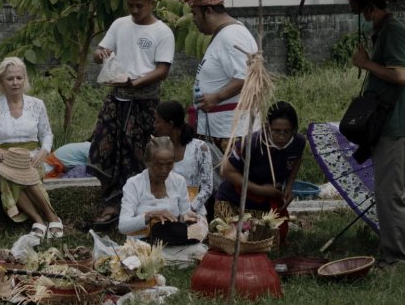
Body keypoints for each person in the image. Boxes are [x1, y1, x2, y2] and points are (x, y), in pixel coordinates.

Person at [89, 0, 175, 227]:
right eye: (131, 6)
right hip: (116, 98)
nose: (135, 11)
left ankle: (138, 208)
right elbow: (100, 52)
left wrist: (137, 82)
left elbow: (162, 70)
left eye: (140, 6)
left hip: (144, 102)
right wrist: (100, 54)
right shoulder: (120, 24)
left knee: (136, 154)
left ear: (152, 3)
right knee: (105, 149)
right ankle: (112, 203)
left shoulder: (162, 32)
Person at [348, 0, 405, 268]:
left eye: (357, 8)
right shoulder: (383, 32)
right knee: (395, 192)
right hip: (393, 126)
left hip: (397, 127)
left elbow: (400, 75)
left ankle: (398, 259)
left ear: (369, 7)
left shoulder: (393, 32)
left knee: (390, 193)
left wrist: (366, 63)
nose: (358, 15)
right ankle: (401, 251)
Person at [0, 57, 63, 239]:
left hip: (31, 158)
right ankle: (41, 219)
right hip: (3, 160)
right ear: (1, 81)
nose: (15, 82)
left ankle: (49, 216)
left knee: (24, 172)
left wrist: (44, 151)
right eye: (10, 79)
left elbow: (47, 134)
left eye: (19, 78)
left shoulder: (37, 104)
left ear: (25, 79)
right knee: (7, 175)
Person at [216, 101, 307, 244]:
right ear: (267, 127)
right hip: (234, 199)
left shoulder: (298, 142)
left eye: (287, 131)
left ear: (293, 129)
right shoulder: (252, 143)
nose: (282, 136)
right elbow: (226, 170)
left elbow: (296, 159)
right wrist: (260, 190)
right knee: (236, 241)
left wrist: (289, 186)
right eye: (276, 131)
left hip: (266, 203)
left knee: (271, 244)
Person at [184, 0, 258, 149]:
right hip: (221, 126)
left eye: (195, 14)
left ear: (209, 11)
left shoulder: (231, 35)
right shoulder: (226, 33)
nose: (194, 20)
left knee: (225, 173)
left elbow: (245, 77)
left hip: (228, 130)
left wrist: (216, 97)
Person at [118, 136, 198, 237]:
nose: (164, 170)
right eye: (159, 165)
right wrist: (150, 215)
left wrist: (186, 218)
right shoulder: (134, 184)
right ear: (147, 163)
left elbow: (184, 214)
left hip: (173, 243)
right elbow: (123, 226)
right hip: (141, 247)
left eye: (169, 164)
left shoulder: (178, 181)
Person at [153, 101, 214, 217]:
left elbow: (207, 188)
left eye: (158, 121)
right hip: (164, 208)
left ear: (170, 124)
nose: (154, 125)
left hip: (192, 210)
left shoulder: (200, 148)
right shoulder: (159, 147)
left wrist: (188, 210)